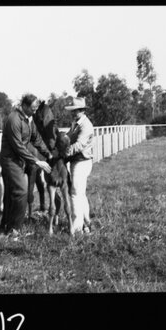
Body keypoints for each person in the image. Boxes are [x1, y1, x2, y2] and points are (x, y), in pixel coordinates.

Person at [0, 94, 52, 239]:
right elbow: (18, 147)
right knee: (22, 191)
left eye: (36, 109)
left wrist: (49, 154)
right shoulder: (13, 120)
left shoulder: (29, 119)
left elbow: (36, 139)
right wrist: (36, 161)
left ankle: (6, 225)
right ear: (25, 106)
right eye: (33, 108)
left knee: (11, 193)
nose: (35, 111)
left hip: (19, 161)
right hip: (10, 161)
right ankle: (14, 230)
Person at [65, 97, 95, 234]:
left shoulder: (86, 126)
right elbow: (68, 137)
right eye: (72, 111)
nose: (73, 113)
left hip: (81, 162)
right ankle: (87, 222)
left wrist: (63, 153)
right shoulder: (75, 123)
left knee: (75, 193)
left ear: (82, 111)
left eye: (75, 111)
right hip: (75, 161)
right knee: (80, 193)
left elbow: (78, 145)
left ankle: (77, 228)